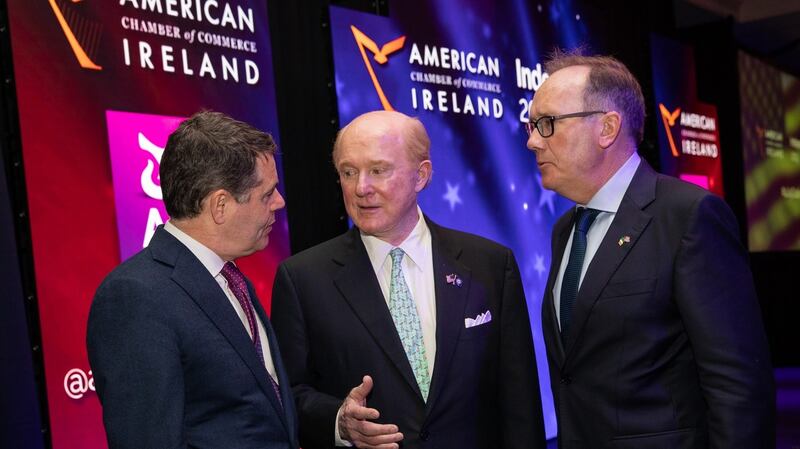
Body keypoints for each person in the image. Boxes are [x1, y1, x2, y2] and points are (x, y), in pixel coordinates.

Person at [527, 51, 774, 448]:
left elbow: (737, 383)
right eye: (532, 125)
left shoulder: (688, 216)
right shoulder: (565, 230)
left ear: (607, 127)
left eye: (547, 123)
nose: (533, 140)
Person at [271, 110, 546, 449]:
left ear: (421, 176)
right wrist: (339, 420)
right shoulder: (302, 279)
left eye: (378, 170)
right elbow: (288, 395)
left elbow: (520, 400)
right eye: (348, 172)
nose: (361, 187)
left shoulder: (490, 265)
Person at [87, 111, 297, 449]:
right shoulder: (136, 297)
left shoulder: (230, 278)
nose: (279, 202)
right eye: (267, 193)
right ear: (220, 206)